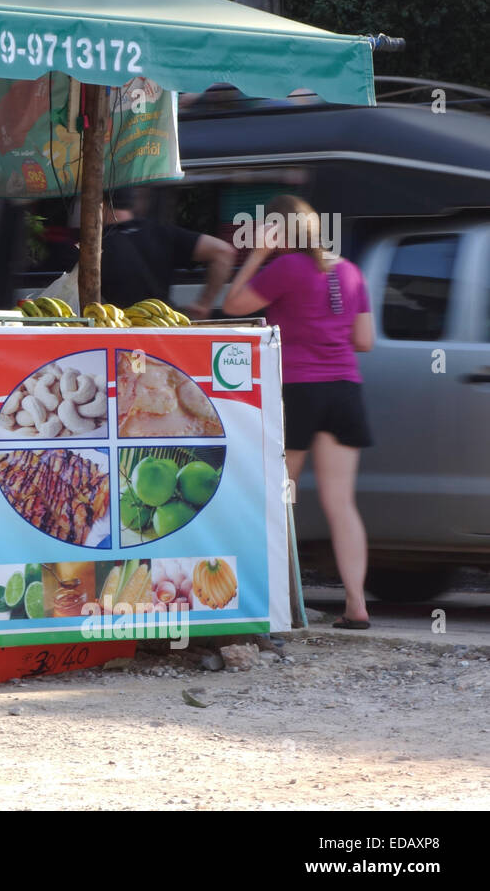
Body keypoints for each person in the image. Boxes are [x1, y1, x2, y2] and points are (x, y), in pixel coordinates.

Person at [222, 195, 375, 629]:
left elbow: (234, 306)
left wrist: (257, 257)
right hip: (345, 392)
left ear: (278, 231)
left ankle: (285, 603)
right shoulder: (348, 271)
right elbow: (364, 340)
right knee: (341, 502)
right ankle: (357, 606)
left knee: (281, 497)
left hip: (299, 391)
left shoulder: (285, 268)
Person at [97, 192, 237, 319]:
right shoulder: (160, 232)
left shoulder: (95, 246)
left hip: (116, 331)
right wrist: (204, 304)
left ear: (101, 204)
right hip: (164, 327)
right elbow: (224, 252)